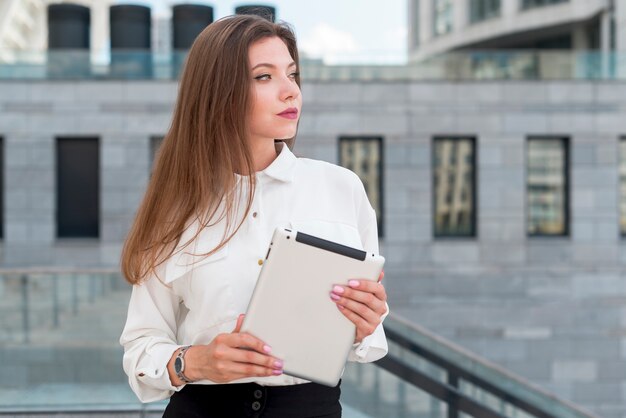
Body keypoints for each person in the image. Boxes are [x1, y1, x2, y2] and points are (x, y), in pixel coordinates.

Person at [119, 14, 389, 417]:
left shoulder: (341, 188)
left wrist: (366, 322)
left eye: (293, 74)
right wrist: (195, 361)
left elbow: (367, 340)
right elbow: (142, 345)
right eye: (264, 77)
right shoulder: (176, 207)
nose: (290, 91)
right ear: (217, 92)